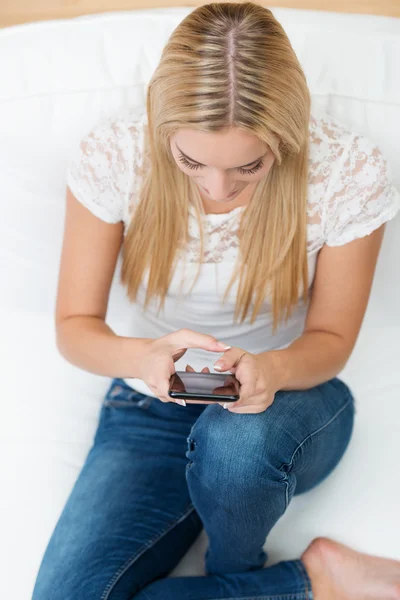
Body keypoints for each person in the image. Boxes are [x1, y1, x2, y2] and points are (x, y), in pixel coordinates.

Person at [32, 2, 400, 599]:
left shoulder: (347, 172)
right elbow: (75, 327)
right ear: (161, 127)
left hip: (291, 400)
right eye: (192, 162)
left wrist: (268, 372)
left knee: (237, 441)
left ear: (285, 133)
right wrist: (142, 358)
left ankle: (234, 566)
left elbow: (331, 344)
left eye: (249, 167)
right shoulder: (115, 156)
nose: (217, 190)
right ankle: (309, 582)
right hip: (150, 403)